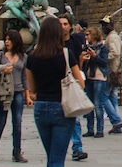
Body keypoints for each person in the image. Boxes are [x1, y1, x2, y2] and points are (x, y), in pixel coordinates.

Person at [27, 16, 85, 167]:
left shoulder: (32, 57)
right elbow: (81, 83)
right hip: (62, 107)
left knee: (52, 157)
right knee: (57, 159)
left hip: (40, 108)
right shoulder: (66, 54)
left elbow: (32, 89)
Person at [0, 29, 31, 163]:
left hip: (18, 92)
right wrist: (2, 68)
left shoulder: (23, 56)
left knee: (17, 122)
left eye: (10, 39)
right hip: (3, 92)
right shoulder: (0, 55)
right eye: (6, 39)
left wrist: (28, 95)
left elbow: (24, 76)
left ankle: (17, 152)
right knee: (1, 121)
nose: (7, 42)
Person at [60, 15, 89, 161]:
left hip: (72, 82)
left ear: (70, 26)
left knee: (75, 117)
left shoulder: (75, 42)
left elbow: (79, 63)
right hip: (57, 84)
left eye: (65, 24)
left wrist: (82, 62)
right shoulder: (53, 44)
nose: (63, 26)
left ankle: (77, 148)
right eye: (60, 24)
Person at [81, 27, 110, 138]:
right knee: (89, 105)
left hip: (99, 78)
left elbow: (104, 62)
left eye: (88, 34)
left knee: (98, 104)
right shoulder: (86, 48)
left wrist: (94, 56)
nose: (86, 37)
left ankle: (100, 130)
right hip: (88, 78)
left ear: (94, 35)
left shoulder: (102, 48)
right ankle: (90, 129)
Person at [98, 17, 122, 134]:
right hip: (114, 70)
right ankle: (117, 124)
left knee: (103, 97)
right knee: (113, 98)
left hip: (111, 70)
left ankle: (116, 120)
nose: (103, 28)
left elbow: (115, 52)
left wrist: (102, 58)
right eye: (102, 26)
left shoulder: (112, 37)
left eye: (105, 26)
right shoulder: (112, 36)